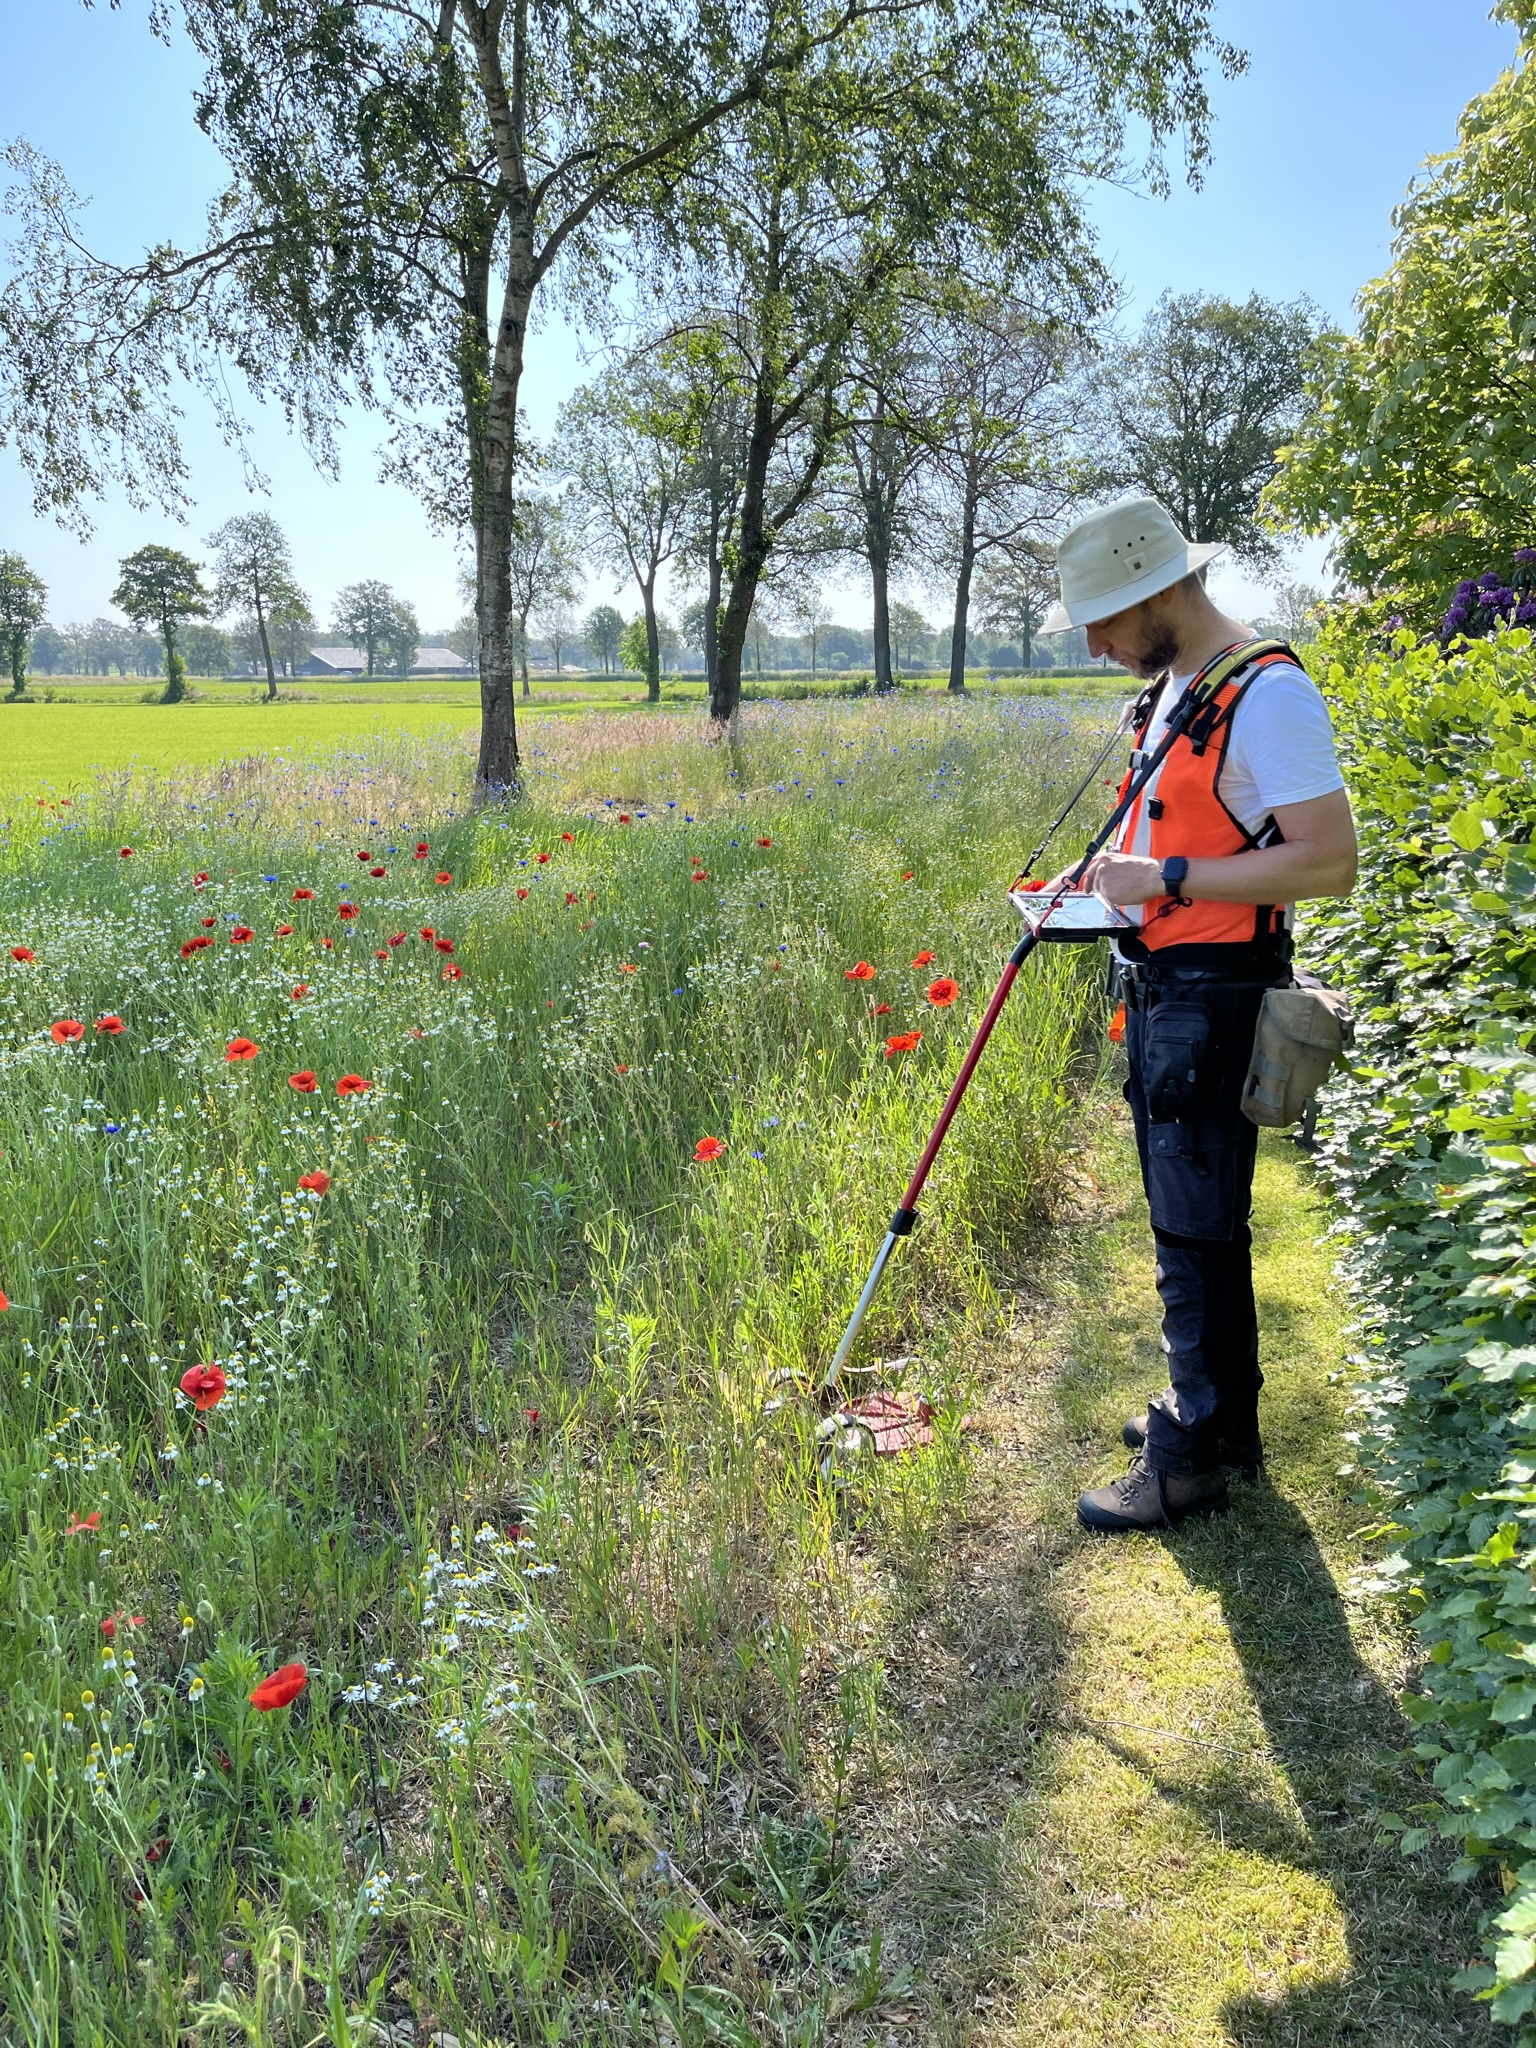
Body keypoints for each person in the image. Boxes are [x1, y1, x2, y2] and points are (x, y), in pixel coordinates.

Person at [1039, 497, 1357, 1534]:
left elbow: (1329, 860)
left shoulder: (1268, 693)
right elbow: (1182, 820)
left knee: (1193, 1227)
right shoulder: (1181, 682)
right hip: (1164, 985)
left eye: (1103, 622)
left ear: (1159, 591)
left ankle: (1190, 1456)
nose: (1095, 645)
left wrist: (1166, 875)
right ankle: (1222, 1422)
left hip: (1215, 994)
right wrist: (1102, 879)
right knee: (1195, 1221)